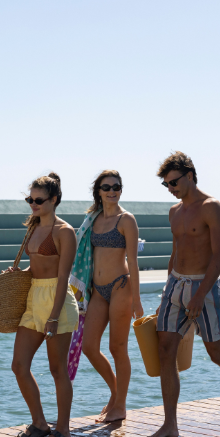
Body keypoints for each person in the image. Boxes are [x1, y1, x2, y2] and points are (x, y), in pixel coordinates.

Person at [147, 151, 220, 437]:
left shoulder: (212, 207)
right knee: (165, 350)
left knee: (216, 353)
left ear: (190, 175)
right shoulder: (174, 212)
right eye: (166, 185)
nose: (171, 188)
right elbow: (175, 253)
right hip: (175, 285)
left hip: (204, 287)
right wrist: (166, 292)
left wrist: (199, 294)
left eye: (173, 182)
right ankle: (170, 423)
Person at [8, 173, 80, 437]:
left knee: (57, 369)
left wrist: (53, 316)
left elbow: (63, 277)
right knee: (19, 365)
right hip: (33, 297)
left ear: (54, 199)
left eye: (38, 200)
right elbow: (38, 266)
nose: (33, 204)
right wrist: (21, 271)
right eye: (30, 199)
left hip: (57, 303)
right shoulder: (33, 226)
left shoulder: (64, 232)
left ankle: (63, 431)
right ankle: (39, 423)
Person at [81, 170, 143, 423]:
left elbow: (134, 262)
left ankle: (120, 405)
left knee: (117, 348)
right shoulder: (92, 219)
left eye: (116, 186)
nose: (112, 190)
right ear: (98, 191)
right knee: (89, 347)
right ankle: (115, 393)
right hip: (98, 290)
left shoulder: (126, 220)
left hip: (120, 287)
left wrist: (137, 300)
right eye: (106, 187)